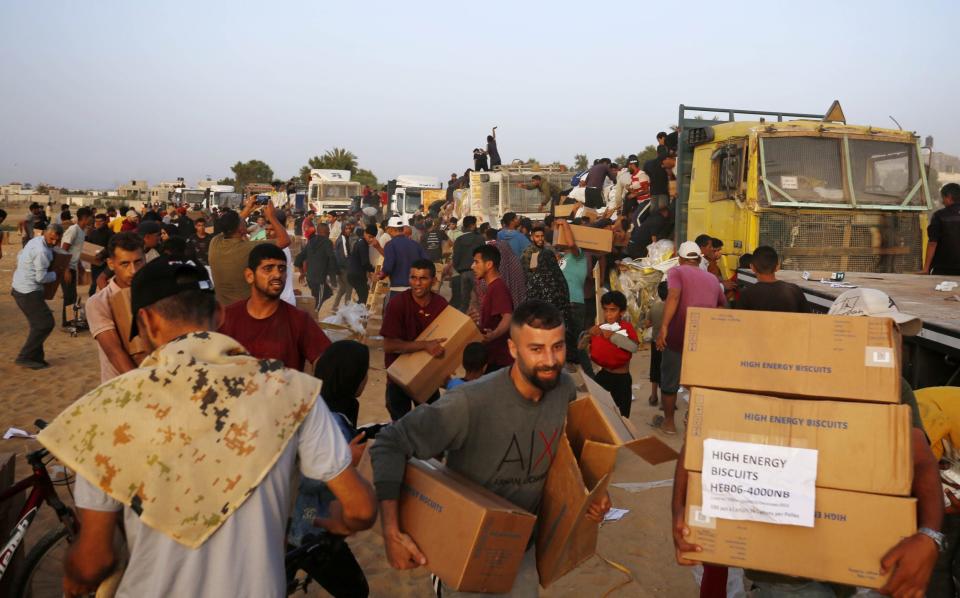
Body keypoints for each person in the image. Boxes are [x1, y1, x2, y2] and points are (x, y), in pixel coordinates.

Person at [40, 258, 376, 598]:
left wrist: (76, 575)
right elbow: (361, 508)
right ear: (219, 315)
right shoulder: (292, 391)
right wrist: (340, 521)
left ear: (146, 321)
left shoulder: (108, 409)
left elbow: (94, 560)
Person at [674, 288, 943, 598]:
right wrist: (680, 511)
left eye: (895, 334)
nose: (893, 345)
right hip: (788, 573)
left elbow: (921, 459)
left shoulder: (897, 388)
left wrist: (929, 535)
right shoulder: (783, 379)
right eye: (882, 332)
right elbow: (699, 444)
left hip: (869, 559)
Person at [370, 300, 611, 596]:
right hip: (465, 549)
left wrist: (592, 493)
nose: (550, 360)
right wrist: (391, 531)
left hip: (522, 552)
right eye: (536, 349)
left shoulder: (563, 389)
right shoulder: (471, 403)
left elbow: (568, 453)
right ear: (512, 349)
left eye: (557, 347)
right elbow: (389, 443)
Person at [287, 340, 371, 598]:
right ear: (351, 376)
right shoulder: (330, 420)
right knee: (355, 591)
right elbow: (308, 477)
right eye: (364, 372)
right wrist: (345, 461)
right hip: (306, 522)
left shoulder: (319, 403)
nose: (367, 378)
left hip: (287, 520)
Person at [654, 241, 727, 435]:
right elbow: (722, 307)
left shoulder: (675, 272)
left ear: (680, 258)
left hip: (677, 336)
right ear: (697, 259)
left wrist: (664, 327)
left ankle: (669, 423)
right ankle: (693, 418)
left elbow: (674, 295)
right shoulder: (712, 279)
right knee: (697, 381)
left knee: (670, 381)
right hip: (703, 339)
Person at [222, 244, 331, 370]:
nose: (277, 275)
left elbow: (325, 362)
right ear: (249, 276)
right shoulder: (227, 318)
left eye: (282, 269)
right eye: (268, 268)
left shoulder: (299, 321)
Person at [380, 259, 448, 420]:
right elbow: (388, 345)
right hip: (398, 378)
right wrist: (424, 345)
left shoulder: (441, 304)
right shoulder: (397, 304)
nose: (417, 283)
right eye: (413, 277)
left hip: (427, 377)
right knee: (401, 429)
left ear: (434, 280)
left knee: (431, 427)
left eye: (423, 278)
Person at [208, 196, 291, 308]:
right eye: (242, 221)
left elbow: (231, 227)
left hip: (221, 310)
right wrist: (271, 216)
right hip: (243, 311)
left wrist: (248, 208)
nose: (244, 221)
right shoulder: (248, 249)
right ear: (241, 230)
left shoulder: (215, 243)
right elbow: (285, 240)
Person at [85, 233, 147, 382]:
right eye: (125, 264)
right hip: (121, 384)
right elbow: (114, 351)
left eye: (138, 262)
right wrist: (144, 385)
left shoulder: (156, 293)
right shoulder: (99, 302)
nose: (133, 270)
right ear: (111, 264)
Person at [11, 224, 62, 369]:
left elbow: (19, 255)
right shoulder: (42, 251)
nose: (53, 242)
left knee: (39, 324)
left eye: (56, 240)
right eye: (52, 239)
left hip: (21, 286)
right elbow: (41, 278)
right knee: (45, 324)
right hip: (27, 291)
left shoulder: (36, 240)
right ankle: (25, 356)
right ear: (46, 233)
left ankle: (36, 357)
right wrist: (56, 274)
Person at [588, 291, 639, 417]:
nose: (608, 314)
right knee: (599, 413)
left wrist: (612, 336)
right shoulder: (601, 327)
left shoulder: (626, 328)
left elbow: (633, 347)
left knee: (622, 417)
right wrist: (588, 334)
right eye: (606, 310)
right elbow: (581, 346)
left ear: (621, 312)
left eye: (613, 310)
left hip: (622, 379)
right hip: (603, 375)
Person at [554, 220, 592, 375]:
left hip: (574, 302)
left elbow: (570, 243)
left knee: (578, 342)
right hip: (565, 302)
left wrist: (565, 225)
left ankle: (591, 377)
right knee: (564, 340)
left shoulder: (579, 254)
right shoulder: (564, 257)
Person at [472, 245, 514, 371]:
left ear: (489, 264)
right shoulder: (492, 287)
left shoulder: (498, 288)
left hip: (500, 360)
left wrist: (494, 335)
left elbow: (508, 317)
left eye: (476, 262)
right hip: (492, 357)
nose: (472, 266)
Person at [738, 246, 811, 313]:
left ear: (752, 267)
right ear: (777, 267)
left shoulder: (746, 295)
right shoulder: (794, 291)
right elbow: (809, 320)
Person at [60, 207, 93, 327]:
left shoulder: (82, 231)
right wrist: (66, 270)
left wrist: (80, 267)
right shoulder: (73, 230)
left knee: (72, 296)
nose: (92, 219)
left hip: (72, 267)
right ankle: (66, 323)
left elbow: (75, 252)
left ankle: (71, 320)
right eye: (91, 217)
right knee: (69, 296)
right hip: (65, 267)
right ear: (85, 218)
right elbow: (64, 250)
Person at [380, 216, 428, 296]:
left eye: (388, 229)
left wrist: (381, 275)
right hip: (415, 289)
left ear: (391, 229)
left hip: (398, 289)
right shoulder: (416, 245)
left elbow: (388, 267)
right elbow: (427, 263)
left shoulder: (390, 245)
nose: (387, 231)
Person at [923, 183, 960, 275]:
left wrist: (926, 269)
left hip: (943, 268)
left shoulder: (939, 216)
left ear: (949, 197)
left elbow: (932, 243)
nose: (942, 201)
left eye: (943, 197)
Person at [451, 216, 484, 313]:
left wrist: (458, 269)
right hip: (477, 273)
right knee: (479, 300)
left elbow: (455, 258)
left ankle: (462, 323)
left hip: (463, 273)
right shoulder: (480, 239)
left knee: (464, 302)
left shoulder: (459, 240)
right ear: (473, 225)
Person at [648, 281, 668, 407]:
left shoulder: (654, 307)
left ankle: (653, 396)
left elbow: (647, 323)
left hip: (655, 341)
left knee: (655, 368)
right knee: (667, 371)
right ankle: (666, 401)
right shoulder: (673, 307)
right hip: (668, 343)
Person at [347, 224, 377, 304]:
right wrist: (374, 270)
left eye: (373, 238)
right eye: (369, 237)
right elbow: (365, 263)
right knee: (364, 299)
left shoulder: (361, 242)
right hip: (356, 275)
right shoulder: (363, 244)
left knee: (363, 297)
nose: (371, 239)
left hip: (354, 274)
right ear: (365, 233)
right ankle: (354, 314)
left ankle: (355, 313)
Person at [332, 221, 357, 310]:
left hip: (340, 268)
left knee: (342, 289)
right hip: (343, 268)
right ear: (342, 229)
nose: (348, 230)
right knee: (349, 288)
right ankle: (346, 310)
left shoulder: (344, 238)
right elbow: (344, 256)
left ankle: (334, 307)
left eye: (349, 228)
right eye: (346, 228)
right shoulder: (342, 240)